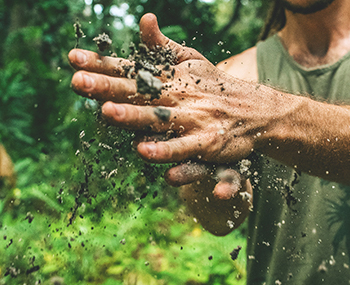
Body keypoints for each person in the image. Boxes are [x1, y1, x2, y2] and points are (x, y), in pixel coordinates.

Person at [68, 0, 350, 283]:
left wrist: (269, 116)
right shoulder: (232, 79)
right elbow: (217, 221)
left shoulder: (237, 96)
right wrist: (211, 168)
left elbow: (255, 109)